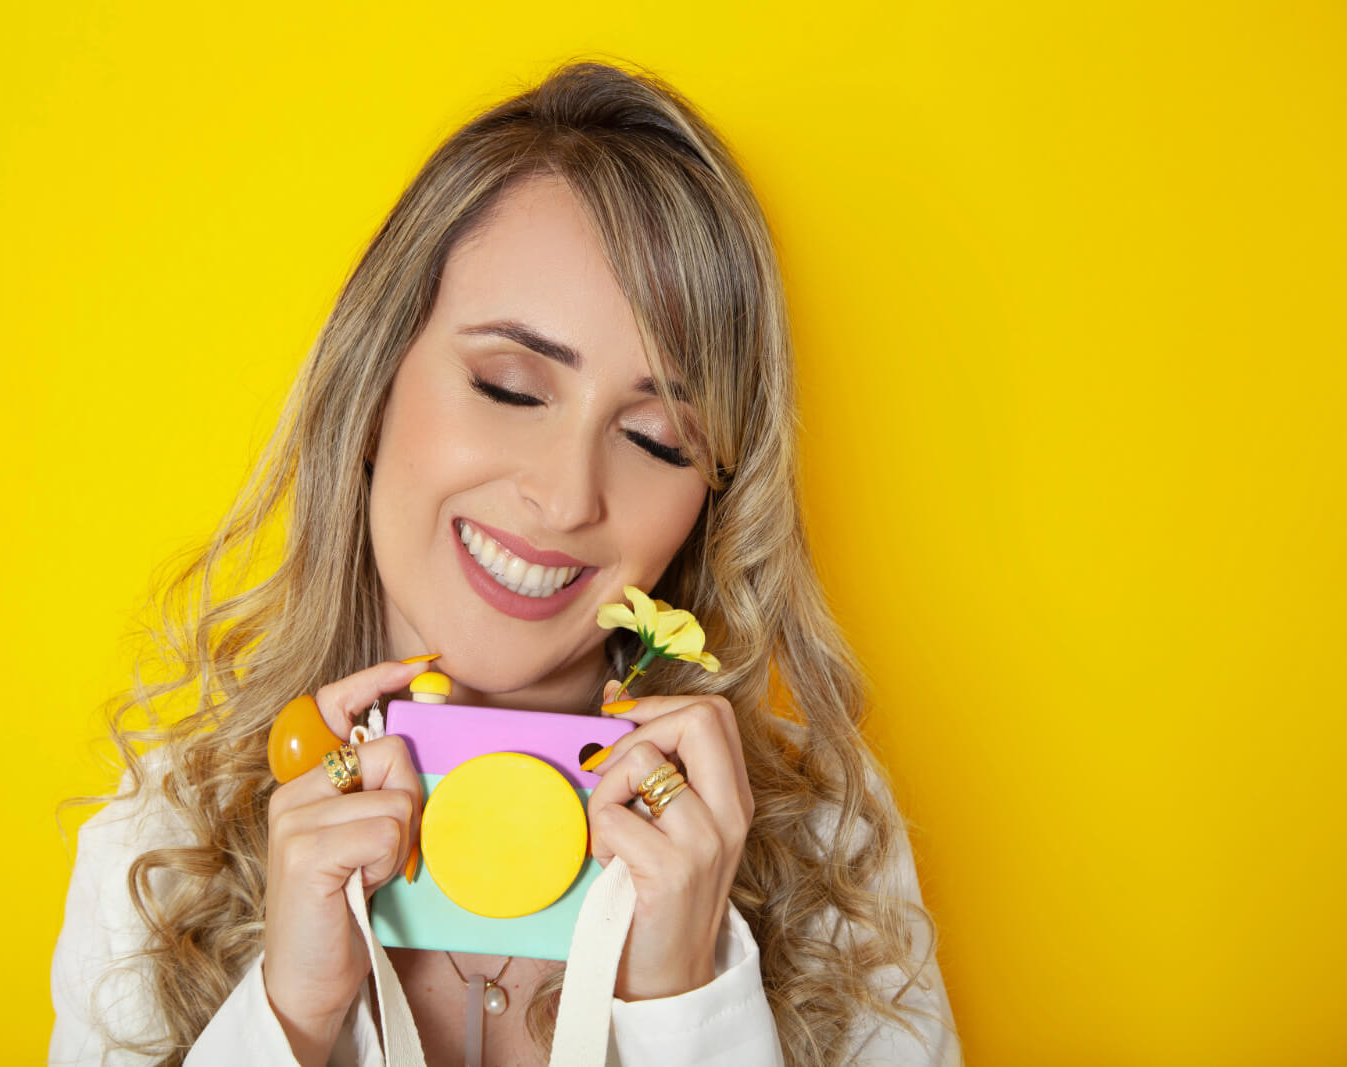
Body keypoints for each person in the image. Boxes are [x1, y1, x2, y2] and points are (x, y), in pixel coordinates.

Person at [49, 60, 961, 1066]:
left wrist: (684, 1007)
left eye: (657, 438)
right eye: (510, 386)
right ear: (372, 382)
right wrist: (291, 1018)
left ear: (707, 503)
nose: (567, 497)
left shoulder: (829, 850)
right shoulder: (162, 843)